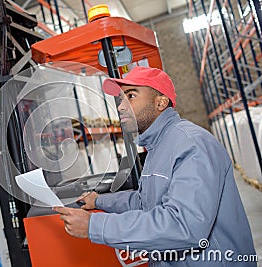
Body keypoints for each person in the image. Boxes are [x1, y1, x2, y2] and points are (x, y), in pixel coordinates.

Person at [54, 66, 256, 266]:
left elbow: (184, 226)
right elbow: (145, 202)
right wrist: (98, 201)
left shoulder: (191, 144)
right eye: (121, 99)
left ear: (161, 102)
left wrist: (94, 226)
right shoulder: (158, 146)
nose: (121, 107)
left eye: (130, 96)